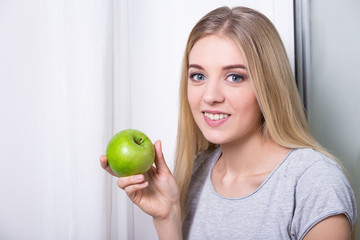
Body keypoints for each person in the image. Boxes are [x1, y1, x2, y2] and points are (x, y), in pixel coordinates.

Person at [100, 6, 357, 239]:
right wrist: (167, 216)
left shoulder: (314, 181)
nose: (210, 96)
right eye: (198, 75)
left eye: (234, 77)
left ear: (269, 86)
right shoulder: (198, 171)